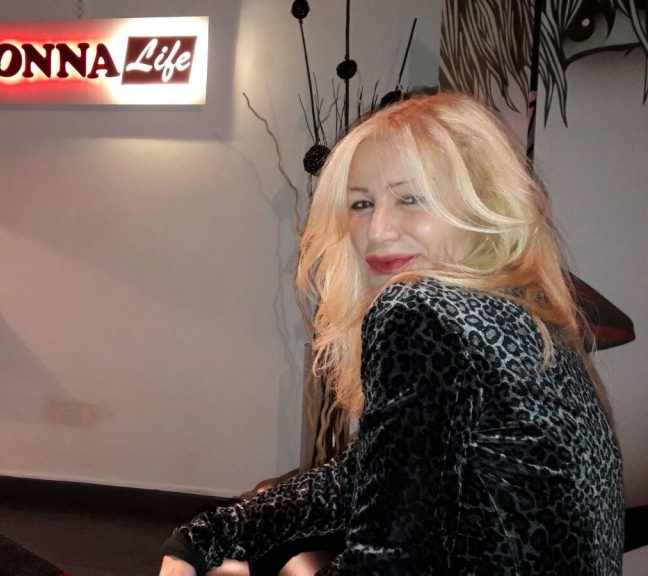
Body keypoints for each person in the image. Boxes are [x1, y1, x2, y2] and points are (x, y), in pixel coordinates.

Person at [160, 92, 624, 575]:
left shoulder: (419, 310)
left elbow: (390, 563)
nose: (378, 230)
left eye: (411, 199)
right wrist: (210, 535)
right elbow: (373, 475)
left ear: (480, 203)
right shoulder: (523, 310)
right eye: (361, 204)